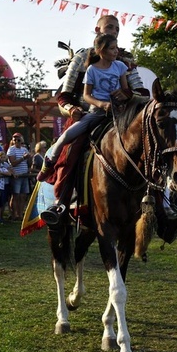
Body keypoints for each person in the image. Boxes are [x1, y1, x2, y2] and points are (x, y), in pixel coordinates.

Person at [39, 34, 131, 224]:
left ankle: (157, 203)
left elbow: (128, 90)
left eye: (116, 47)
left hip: (121, 113)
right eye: (113, 48)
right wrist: (100, 104)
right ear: (101, 49)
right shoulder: (90, 69)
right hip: (96, 112)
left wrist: (123, 94)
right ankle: (51, 172)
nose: (116, 51)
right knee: (67, 139)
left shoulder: (122, 66)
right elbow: (85, 95)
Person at [7, 133, 31, 222]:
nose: (17, 141)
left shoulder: (24, 149)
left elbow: (28, 162)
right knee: (15, 195)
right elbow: (12, 163)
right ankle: (14, 215)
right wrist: (23, 158)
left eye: (18, 139)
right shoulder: (11, 149)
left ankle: (20, 214)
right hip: (16, 175)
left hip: (24, 175)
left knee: (23, 196)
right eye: (15, 139)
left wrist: (29, 158)